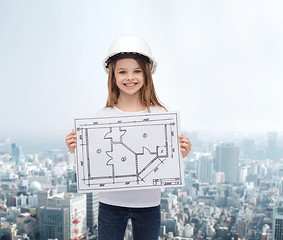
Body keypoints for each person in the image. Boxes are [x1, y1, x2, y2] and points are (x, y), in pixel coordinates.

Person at [65, 35, 192, 240]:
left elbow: (165, 164)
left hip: (148, 204)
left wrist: (180, 155)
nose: (129, 77)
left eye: (137, 71)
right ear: (112, 76)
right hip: (110, 204)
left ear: (147, 74)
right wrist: (76, 151)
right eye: (122, 71)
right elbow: (96, 161)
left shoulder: (160, 115)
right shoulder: (102, 117)